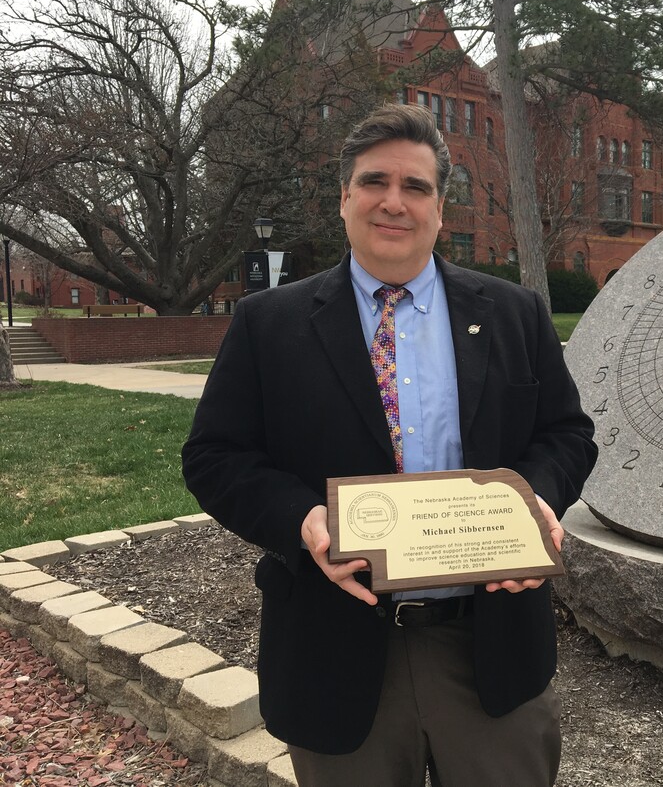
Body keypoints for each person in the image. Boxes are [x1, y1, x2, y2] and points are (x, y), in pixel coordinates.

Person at [181, 103, 597, 786]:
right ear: (344, 198)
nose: (394, 202)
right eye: (375, 182)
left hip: (489, 644)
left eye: (417, 187)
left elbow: (566, 435)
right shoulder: (268, 324)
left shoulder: (512, 313)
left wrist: (534, 503)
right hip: (335, 647)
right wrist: (303, 520)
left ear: (440, 207)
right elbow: (215, 457)